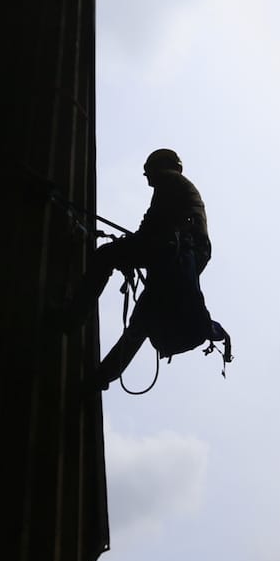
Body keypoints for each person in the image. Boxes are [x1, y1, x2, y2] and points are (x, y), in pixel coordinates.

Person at [65, 148, 221, 388]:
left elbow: (152, 223)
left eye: (148, 172)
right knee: (141, 323)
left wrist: (132, 247)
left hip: (169, 252)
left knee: (106, 256)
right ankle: (100, 379)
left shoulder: (170, 180)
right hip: (176, 265)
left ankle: (72, 318)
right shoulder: (187, 196)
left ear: (159, 166)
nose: (147, 178)